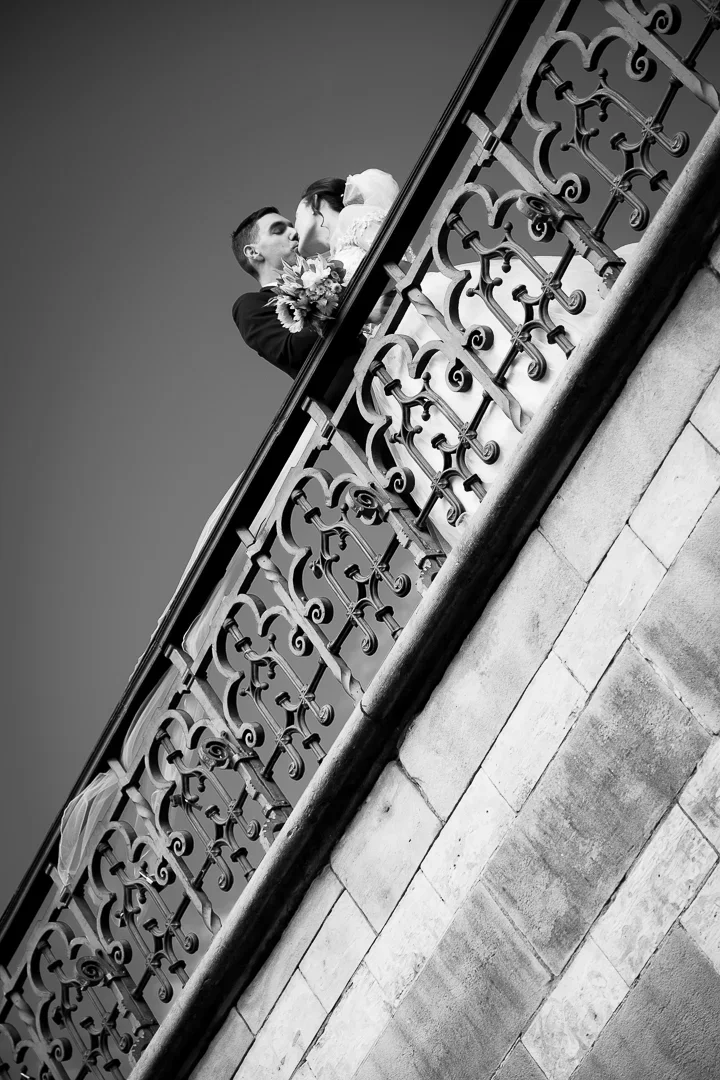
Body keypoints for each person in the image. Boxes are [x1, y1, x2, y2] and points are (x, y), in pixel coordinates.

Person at [231, 207, 318, 380]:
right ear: (253, 252)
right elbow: (291, 351)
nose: (295, 233)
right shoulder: (251, 305)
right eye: (278, 231)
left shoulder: (329, 271)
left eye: (292, 227)